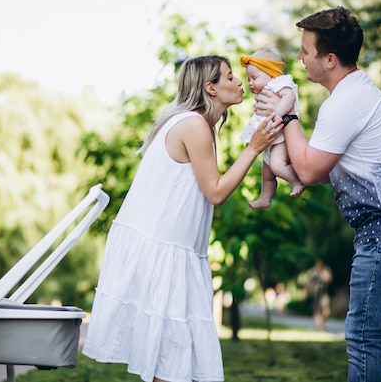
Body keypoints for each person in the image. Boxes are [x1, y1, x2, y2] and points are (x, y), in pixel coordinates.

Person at [254, 7, 381, 382]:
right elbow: (318, 168)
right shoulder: (358, 94)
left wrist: (286, 118)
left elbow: (307, 169)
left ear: (330, 59)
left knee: (363, 337)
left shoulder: (344, 104)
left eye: (306, 51)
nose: (300, 57)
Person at [82, 55, 281, 382]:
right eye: (230, 77)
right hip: (162, 255)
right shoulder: (193, 125)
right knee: (172, 367)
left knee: (176, 365)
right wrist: (253, 147)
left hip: (173, 254)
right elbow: (216, 194)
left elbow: (204, 197)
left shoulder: (195, 124)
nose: (238, 82)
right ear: (210, 88)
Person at [240, 47, 304, 209]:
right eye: (248, 79)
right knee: (266, 173)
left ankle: (297, 180)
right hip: (272, 138)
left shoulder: (280, 83)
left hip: (281, 138)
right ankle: (265, 198)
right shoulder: (266, 91)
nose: (250, 83)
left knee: (276, 166)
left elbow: (289, 97)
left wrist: (278, 111)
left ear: (271, 73)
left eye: (254, 77)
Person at [306, 259, 332, 330]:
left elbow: (329, 279)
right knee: (317, 310)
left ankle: (323, 322)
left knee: (326, 309)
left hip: (323, 293)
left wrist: (321, 274)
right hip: (315, 293)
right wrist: (306, 292)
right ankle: (319, 325)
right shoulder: (313, 271)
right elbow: (309, 282)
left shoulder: (325, 270)